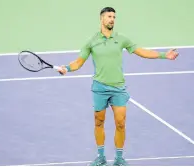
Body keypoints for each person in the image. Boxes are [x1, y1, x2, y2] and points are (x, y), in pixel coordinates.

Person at [57, 7, 179, 166]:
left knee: (120, 123)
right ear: (101, 19)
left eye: (114, 17)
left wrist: (164, 55)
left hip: (118, 89)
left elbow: (141, 51)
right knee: (99, 122)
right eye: (109, 16)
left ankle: (119, 158)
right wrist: (67, 68)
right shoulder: (91, 41)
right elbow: (79, 62)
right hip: (99, 88)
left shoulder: (121, 39)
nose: (112, 19)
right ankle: (100, 157)